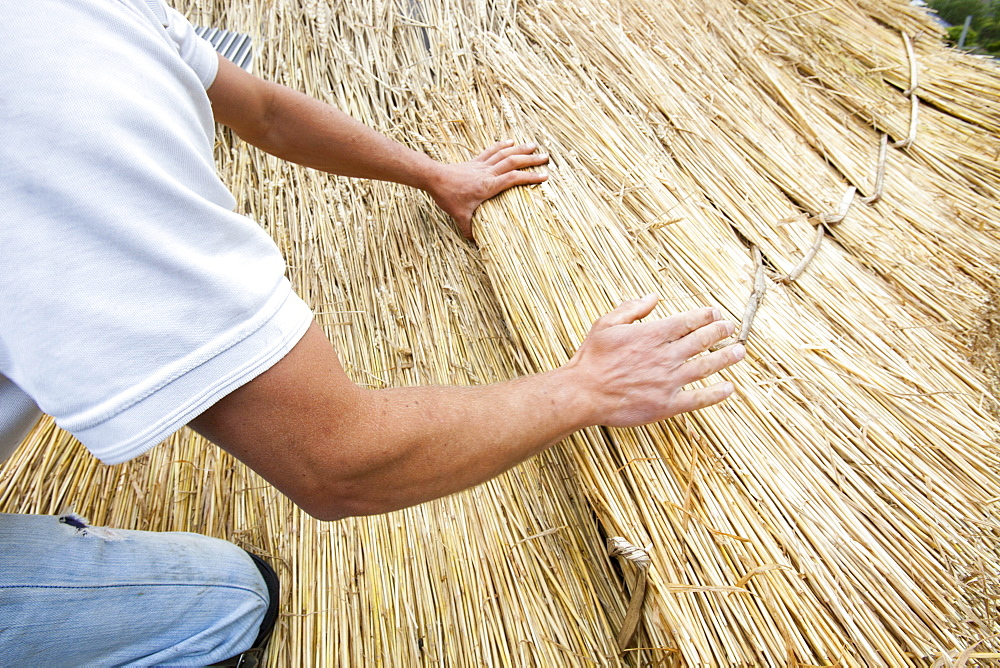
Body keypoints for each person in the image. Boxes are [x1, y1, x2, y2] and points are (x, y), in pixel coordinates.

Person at [0, 0, 745, 664]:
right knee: (228, 601)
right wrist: (586, 387)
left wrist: (435, 175)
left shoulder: (93, 15)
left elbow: (260, 108)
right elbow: (338, 464)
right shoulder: (50, 113)